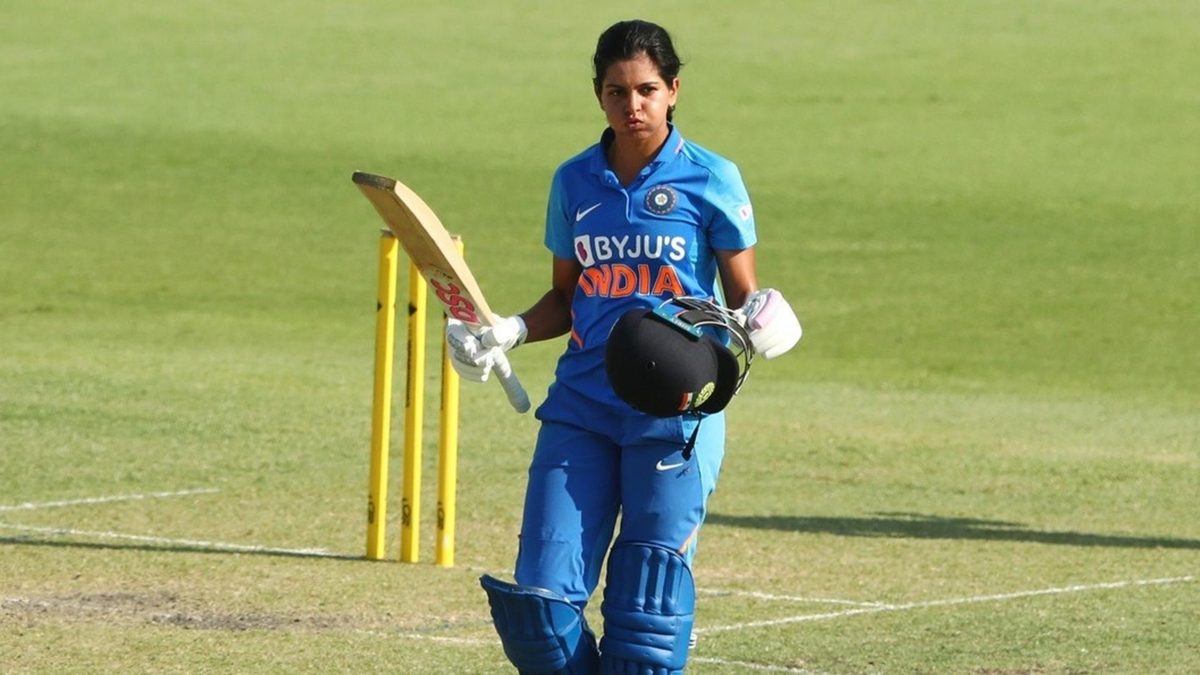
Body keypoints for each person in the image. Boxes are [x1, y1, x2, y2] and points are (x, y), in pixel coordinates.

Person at [446, 19, 800, 673]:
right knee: (541, 613)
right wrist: (510, 329)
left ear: (673, 90)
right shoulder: (574, 182)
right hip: (581, 406)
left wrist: (766, 316)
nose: (632, 105)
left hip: (676, 414)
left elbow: (742, 297)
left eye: (646, 90)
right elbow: (566, 295)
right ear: (598, 94)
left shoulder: (711, 178)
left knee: (646, 620)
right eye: (616, 92)